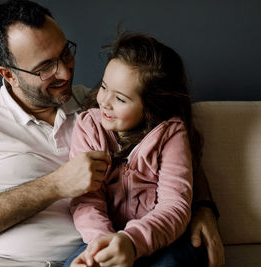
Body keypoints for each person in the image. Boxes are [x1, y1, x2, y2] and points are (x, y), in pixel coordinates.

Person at [0, 0, 224, 266]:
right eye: (45, 67)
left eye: (65, 53)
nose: (66, 73)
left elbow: (169, 141)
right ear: (9, 74)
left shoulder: (95, 105)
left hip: (99, 254)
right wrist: (54, 186)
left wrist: (203, 206)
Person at [65, 32, 206, 267]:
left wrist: (131, 242)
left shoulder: (171, 134)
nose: (105, 101)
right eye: (103, 87)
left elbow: (175, 207)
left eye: (120, 99)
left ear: (150, 107)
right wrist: (103, 243)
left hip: (164, 238)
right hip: (105, 235)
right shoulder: (89, 127)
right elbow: (86, 200)